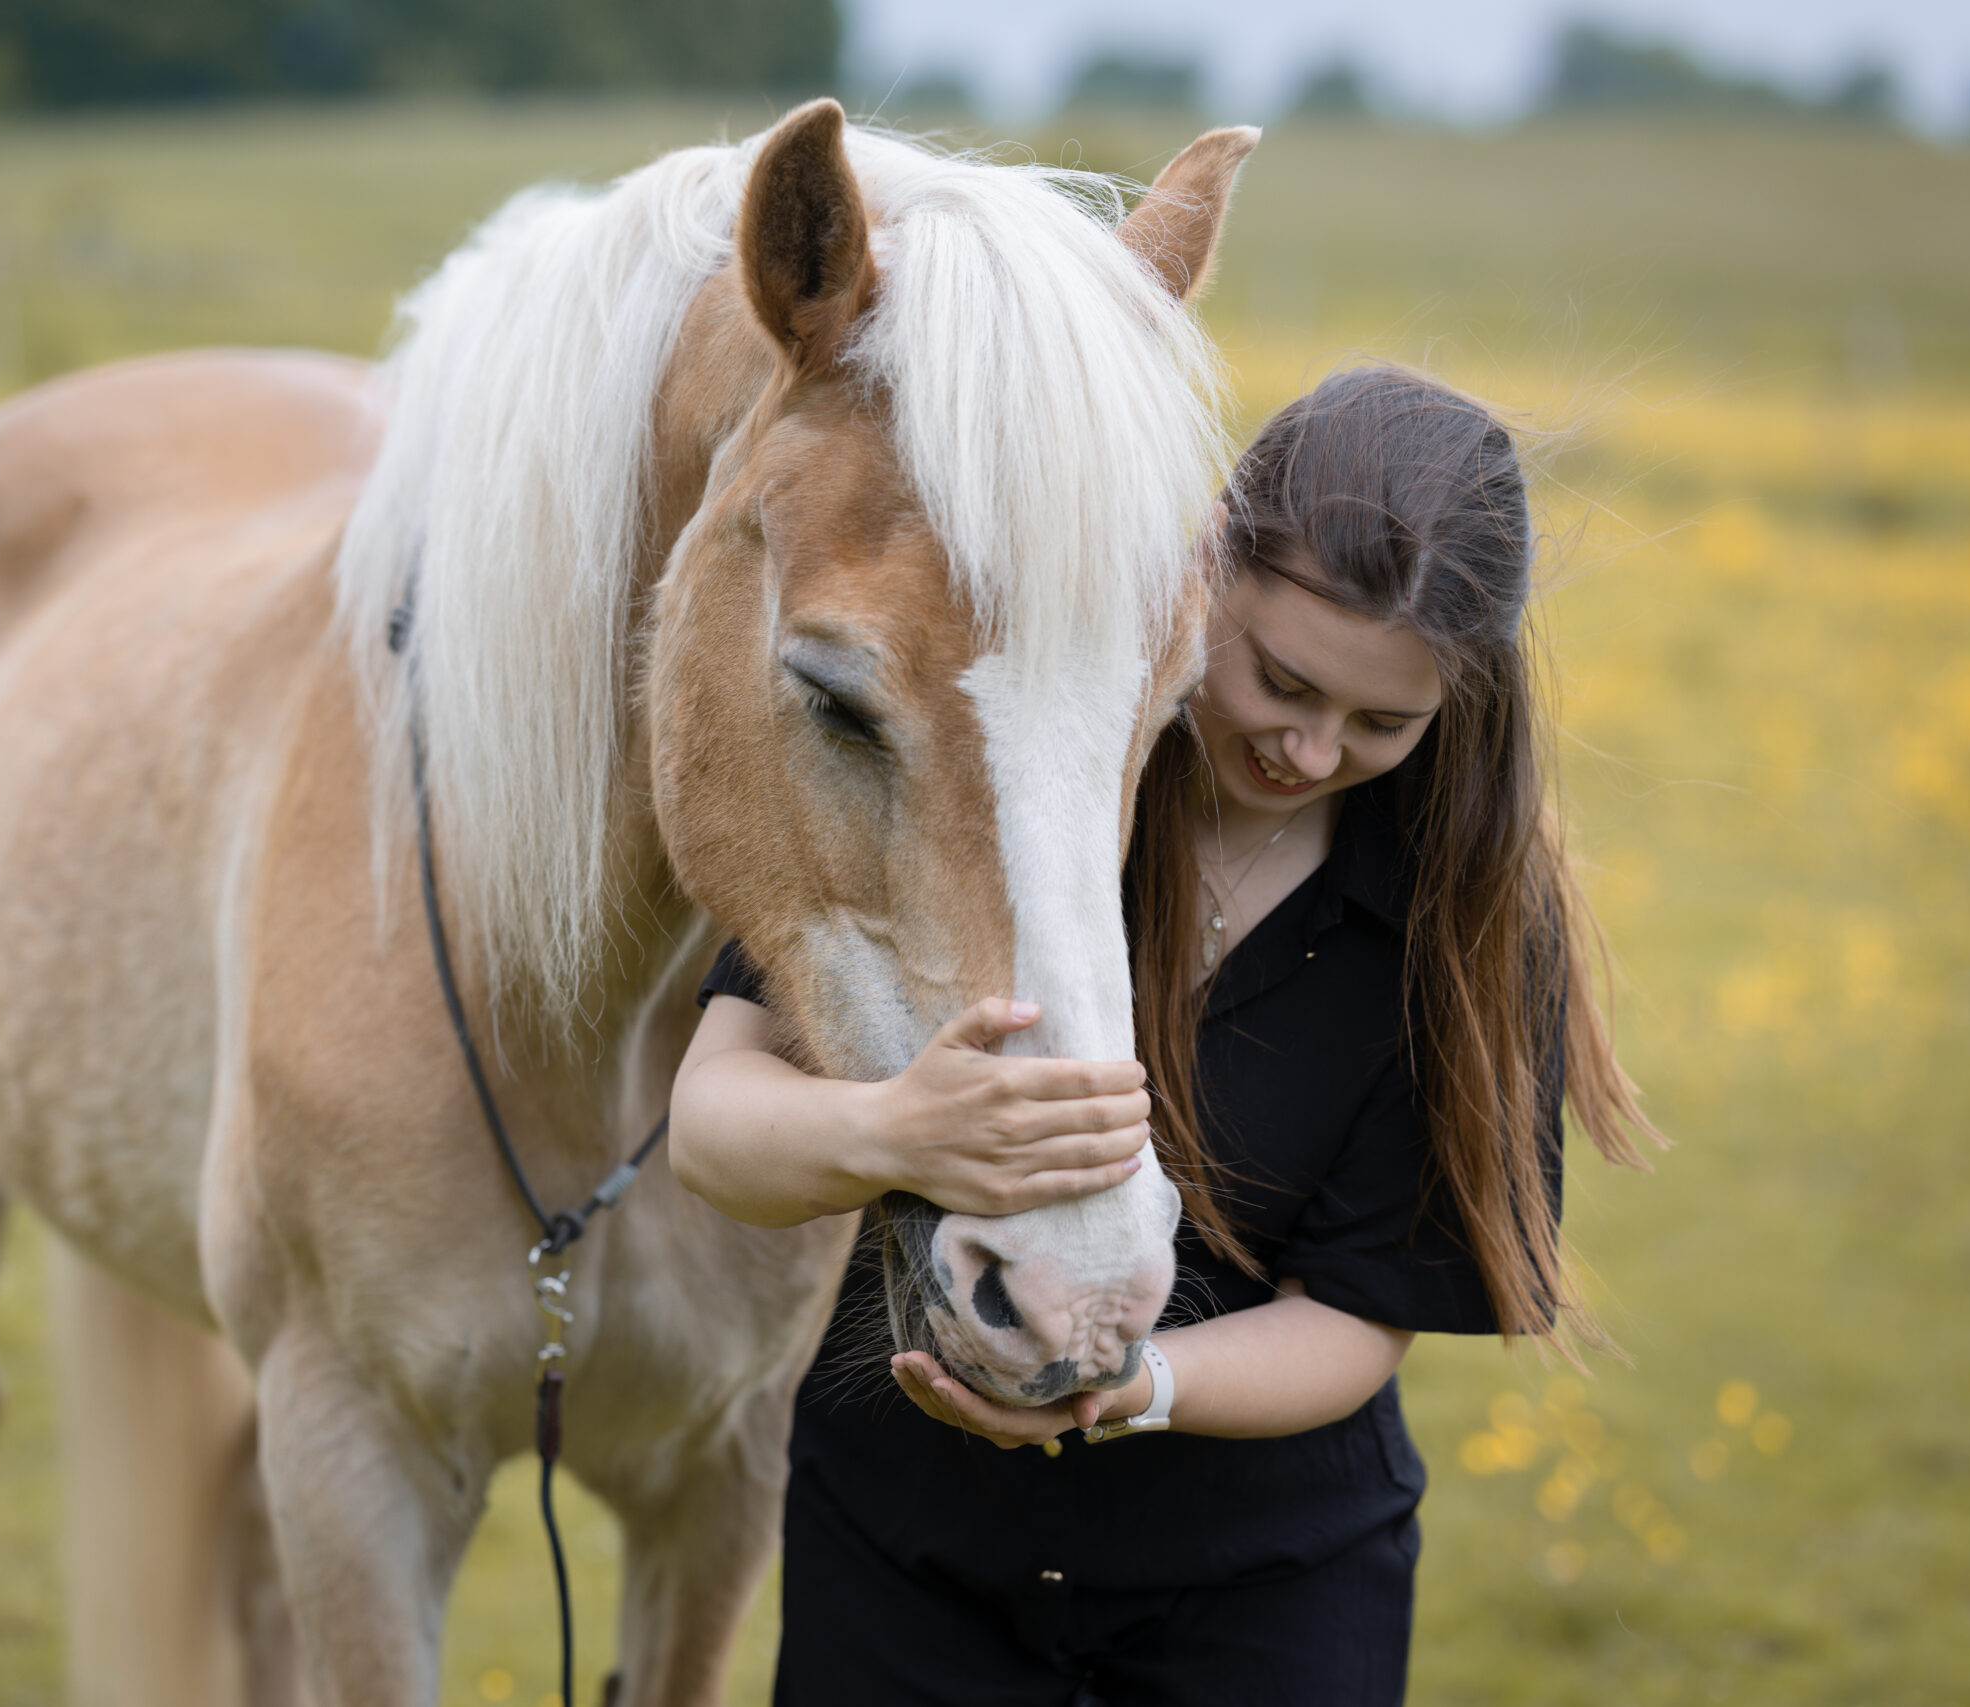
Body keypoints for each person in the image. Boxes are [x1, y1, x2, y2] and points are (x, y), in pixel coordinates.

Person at [667, 365, 1658, 1705]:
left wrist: (1132, 1388)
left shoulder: (1468, 927)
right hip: (904, 1561)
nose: (1309, 752)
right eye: (1282, 681)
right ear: (1207, 562)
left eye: (1382, 723)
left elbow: (1361, 1321)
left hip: (1267, 1600)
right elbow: (713, 1127)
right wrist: (888, 1129)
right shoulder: (1001, 767)